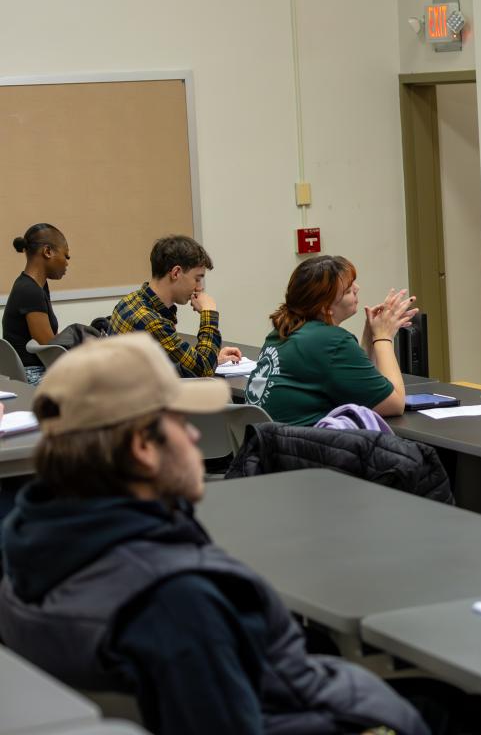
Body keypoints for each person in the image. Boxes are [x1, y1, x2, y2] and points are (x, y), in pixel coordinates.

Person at [0, 333, 429, 735]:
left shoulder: (30, 553)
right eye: (179, 421)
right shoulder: (179, 601)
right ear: (143, 448)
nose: (193, 435)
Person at [244, 255, 417, 426]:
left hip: (267, 441)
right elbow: (395, 404)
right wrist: (383, 337)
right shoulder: (332, 342)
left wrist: (370, 334)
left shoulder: (282, 332)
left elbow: (356, 382)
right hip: (302, 442)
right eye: (348, 290)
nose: (357, 288)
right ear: (326, 308)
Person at [109, 235, 241, 378]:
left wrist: (213, 359)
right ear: (176, 273)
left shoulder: (130, 301)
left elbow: (171, 363)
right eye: (197, 279)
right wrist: (209, 313)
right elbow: (204, 371)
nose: (199, 288)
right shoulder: (151, 321)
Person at [3, 224, 69, 385]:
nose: (67, 263)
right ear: (48, 252)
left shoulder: (34, 286)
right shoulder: (30, 291)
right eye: (66, 256)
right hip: (33, 376)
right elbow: (51, 351)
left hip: (34, 372)